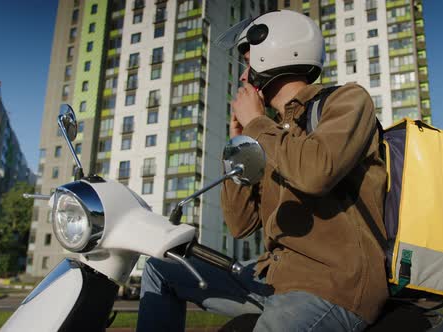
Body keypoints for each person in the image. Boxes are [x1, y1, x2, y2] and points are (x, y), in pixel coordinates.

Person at [137, 10, 387, 332]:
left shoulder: (347, 100)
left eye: (248, 62)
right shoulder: (269, 133)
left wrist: (257, 124)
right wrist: (239, 144)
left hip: (330, 285)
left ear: (276, 53)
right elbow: (240, 224)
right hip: (272, 280)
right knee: (161, 269)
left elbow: (317, 172)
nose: (243, 77)